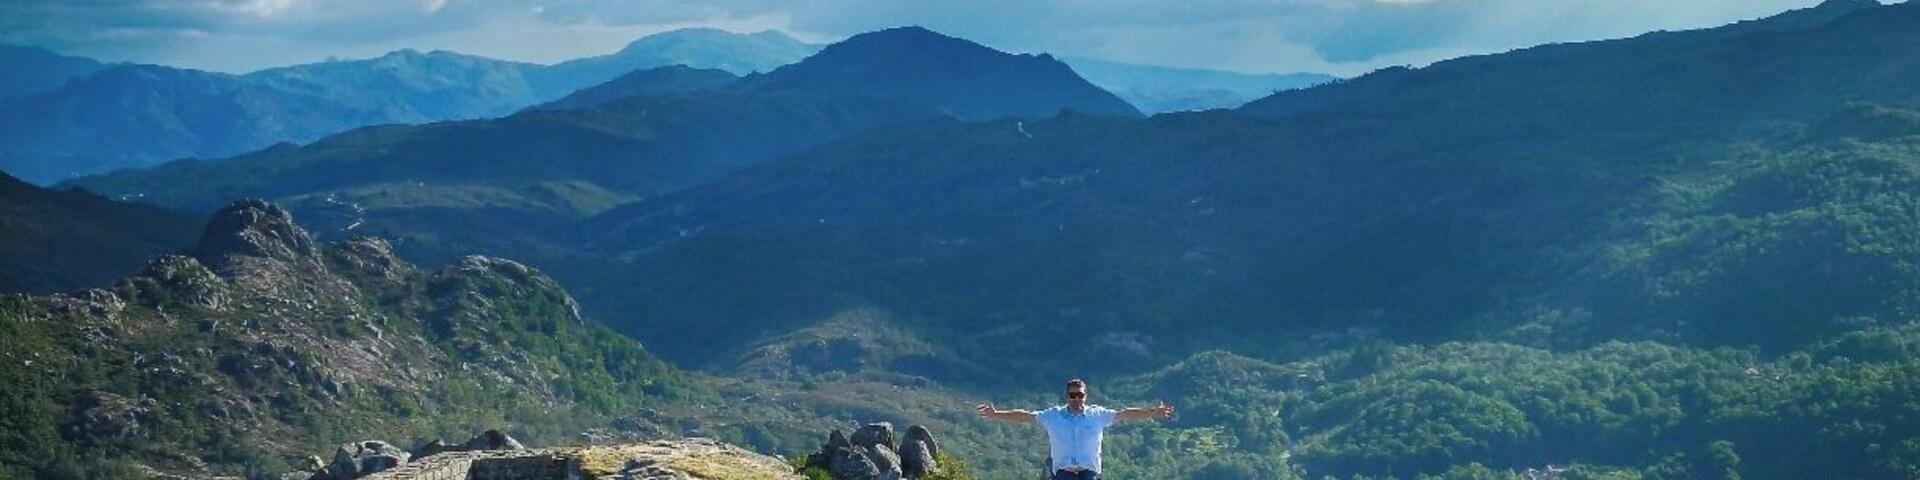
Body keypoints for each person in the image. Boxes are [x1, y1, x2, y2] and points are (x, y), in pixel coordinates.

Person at [976, 378, 1175, 480]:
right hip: (1064, 474)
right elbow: (1026, 416)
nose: (1076, 399)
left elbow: (1125, 414)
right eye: (1072, 395)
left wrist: (1152, 412)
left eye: (1080, 395)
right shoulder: (1053, 416)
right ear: (1066, 396)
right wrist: (997, 414)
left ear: (1086, 396)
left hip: (1089, 474)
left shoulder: (1097, 415)